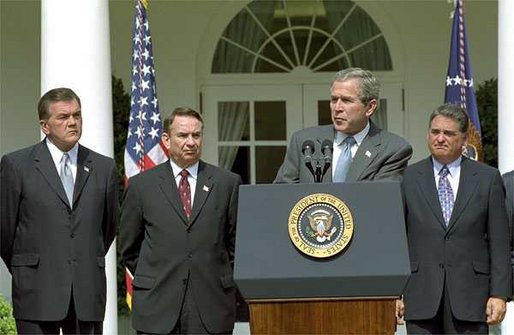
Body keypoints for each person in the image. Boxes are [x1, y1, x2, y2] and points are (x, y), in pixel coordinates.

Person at [0, 87, 119, 334]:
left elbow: (107, 229)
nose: (73, 122)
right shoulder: (16, 166)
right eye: (63, 117)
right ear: (45, 125)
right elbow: (5, 231)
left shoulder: (103, 168)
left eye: (77, 115)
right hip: (36, 290)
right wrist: (31, 267)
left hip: (86, 292)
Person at [119, 107, 242, 334]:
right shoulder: (141, 186)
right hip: (158, 307)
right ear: (166, 139)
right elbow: (129, 249)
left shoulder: (227, 183)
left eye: (196, 135)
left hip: (211, 306)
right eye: (183, 135)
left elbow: (236, 245)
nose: (191, 142)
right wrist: (159, 275)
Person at [397, 104, 512, 334]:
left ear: (464, 139)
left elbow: (500, 242)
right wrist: (394, 293)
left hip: (471, 297)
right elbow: (397, 240)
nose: (440, 138)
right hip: (420, 295)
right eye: (434, 132)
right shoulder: (408, 178)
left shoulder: (487, 178)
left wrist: (499, 294)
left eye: (448, 133)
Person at [274, 67, 412, 183]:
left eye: (346, 100)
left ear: (370, 107)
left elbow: (381, 200)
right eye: (334, 100)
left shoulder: (392, 149)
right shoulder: (304, 142)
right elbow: (282, 194)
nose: (337, 107)